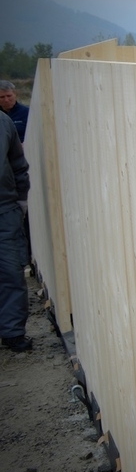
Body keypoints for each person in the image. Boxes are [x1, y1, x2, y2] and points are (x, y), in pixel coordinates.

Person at [0, 111, 31, 352]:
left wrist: (21, 200)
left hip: (4, 210)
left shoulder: (3, 122)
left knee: (10, 272)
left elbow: (18, 165)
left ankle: (12, 333)